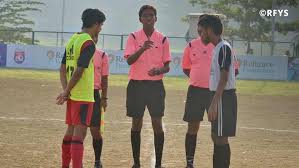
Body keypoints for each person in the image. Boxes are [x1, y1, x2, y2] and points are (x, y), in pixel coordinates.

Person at [56, 8, 106, 168]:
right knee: (79, 133)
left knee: (70, 130)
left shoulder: (73, 39)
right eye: (101, 25)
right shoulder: (88, 43)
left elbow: (63, 68)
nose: (100, 29)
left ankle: (65, 165)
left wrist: (66, 91)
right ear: (96, 24)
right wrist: (66, 91)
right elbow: (79, 71)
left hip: (72, 95)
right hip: (83, 95)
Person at [123, 5, 171, 168]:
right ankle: (136, 163)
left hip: (155, 87)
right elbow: (129, 60)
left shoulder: (163, 39)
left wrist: (159, 70)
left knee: (157, 123)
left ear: (156, 18)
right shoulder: (133, 37)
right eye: (145, 15)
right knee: (136, 123)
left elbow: (167, 66)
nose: (148, 18)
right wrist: (142, 48)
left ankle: (158, 163)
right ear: (140, 19)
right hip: (136, 86)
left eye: (151, 15)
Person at [198, 14, 237, 168]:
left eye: (201, 31)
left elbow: (224, 77)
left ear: (209, 30)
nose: (200, 35)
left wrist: (214, 102)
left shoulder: (224, 47)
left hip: (223, 97)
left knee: (221, 138)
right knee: (216, 136)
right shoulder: (217, 48)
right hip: (218, 96)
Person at [181, 14, 215, 168]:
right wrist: (198, 78)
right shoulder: (190, 46)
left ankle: (219, 162)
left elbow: (232, 71)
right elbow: (186, 68)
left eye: (205, 28)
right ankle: (190, 162)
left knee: (217, 129)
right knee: (192, 127)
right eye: (199, 29)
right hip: (195, 91)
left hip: (214, 93)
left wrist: (211, 81)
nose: (202, 32)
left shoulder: (220, 45)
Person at [90, 34, 109, 168]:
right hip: (79, 95)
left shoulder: (102, 55)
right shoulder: (79, 55)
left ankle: (97, 161)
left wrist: (104, 97)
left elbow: (105, 78)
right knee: (78, 130)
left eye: (95, 37)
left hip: (94, 94)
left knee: (95, 131)